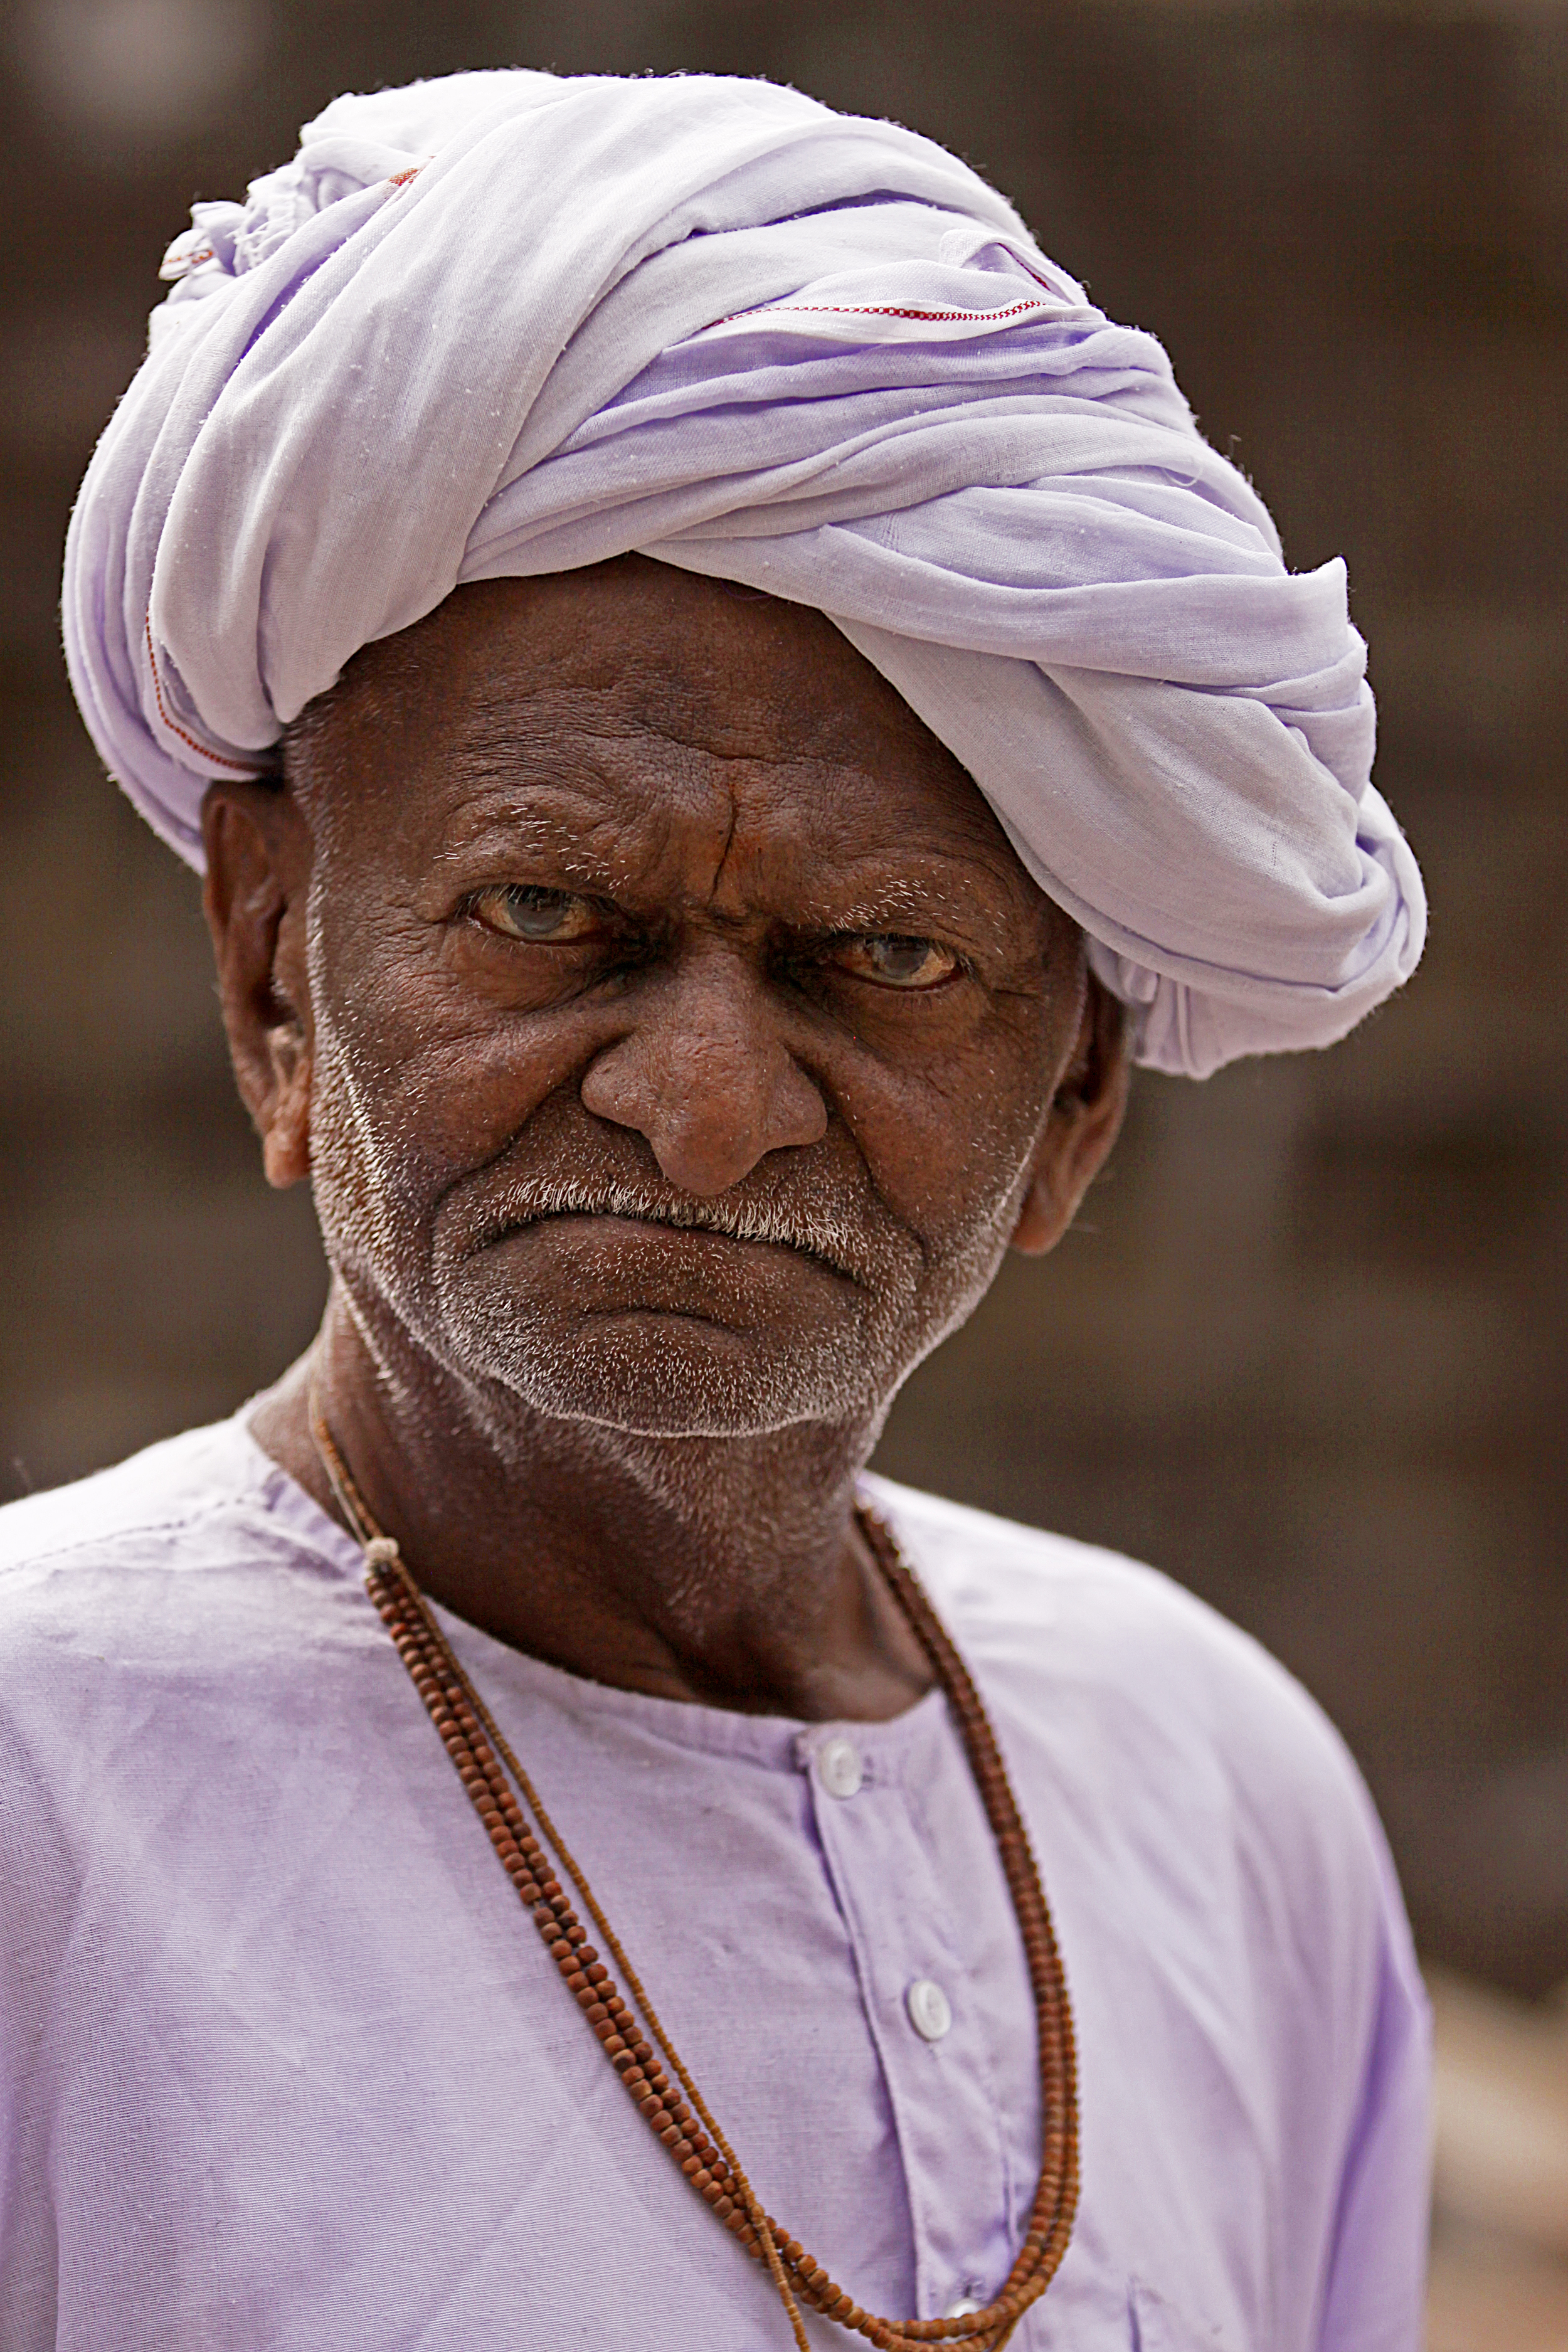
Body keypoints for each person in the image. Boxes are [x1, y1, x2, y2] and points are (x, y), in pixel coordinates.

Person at [3, 68, 1428, 2352]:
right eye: (546, 908)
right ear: (275, 966)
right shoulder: (33, 1775)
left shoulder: (1211, 1774)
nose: (699, 1108)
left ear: (1074, 1096)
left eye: (883, 958)